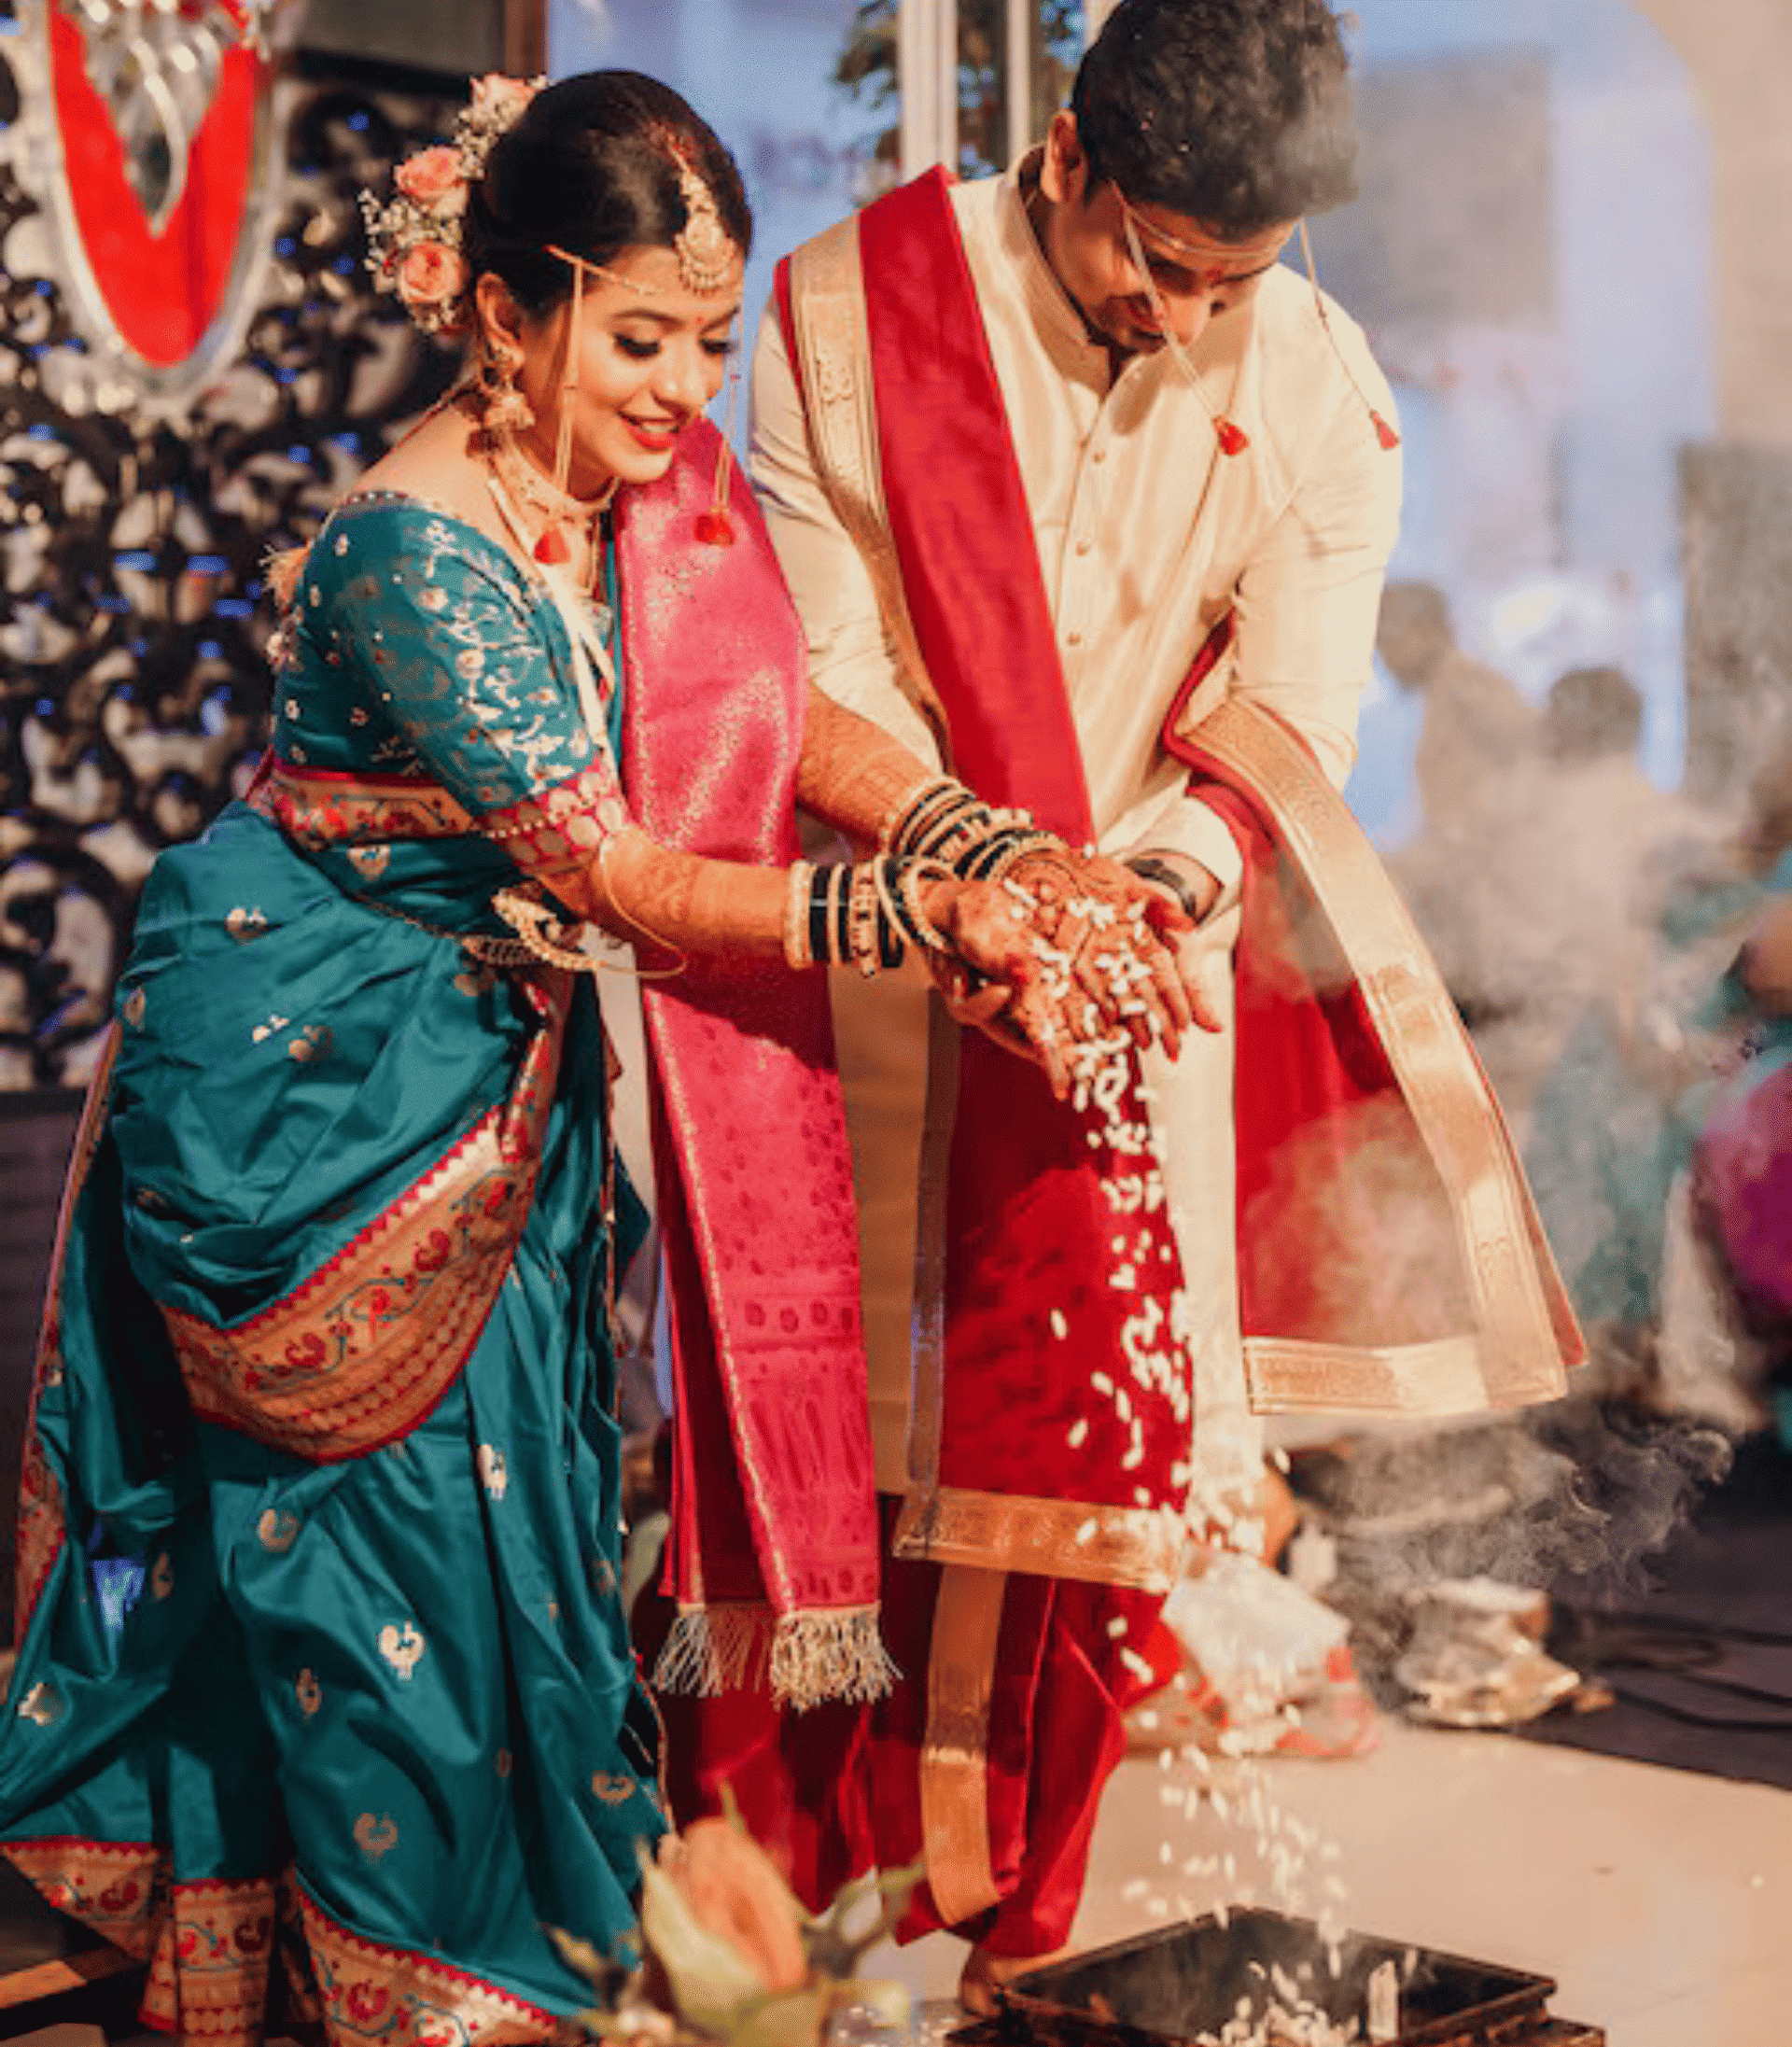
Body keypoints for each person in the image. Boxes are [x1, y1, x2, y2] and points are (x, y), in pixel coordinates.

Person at [0, 71, 1195, 2047]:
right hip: (324, 1109)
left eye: (709, 344)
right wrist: (908, 925)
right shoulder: (416, 551)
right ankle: (430, 1998)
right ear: (503, 313)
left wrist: (985, 844)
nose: (683, 391)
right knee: (382, 1611)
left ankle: (501, 1977)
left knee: (536, 1564)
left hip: (500, 1088)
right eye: (641, 339)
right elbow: (617, 868)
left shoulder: (637, 498)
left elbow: (775, 711)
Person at [651, 0, 1581, 2008]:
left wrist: (1142, 892)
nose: (1181, 317)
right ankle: (774, 1951)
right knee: (842, 1500)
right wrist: (985, 877)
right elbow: (807, 669)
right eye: (1155, 261)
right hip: (880, 990)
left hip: (1137, 995)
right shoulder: (846, 312)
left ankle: (1013, 1956)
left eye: (1228, 282)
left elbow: (1291, 702)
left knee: (1074, 1509)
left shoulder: (1319, 380)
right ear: (1068, 154)